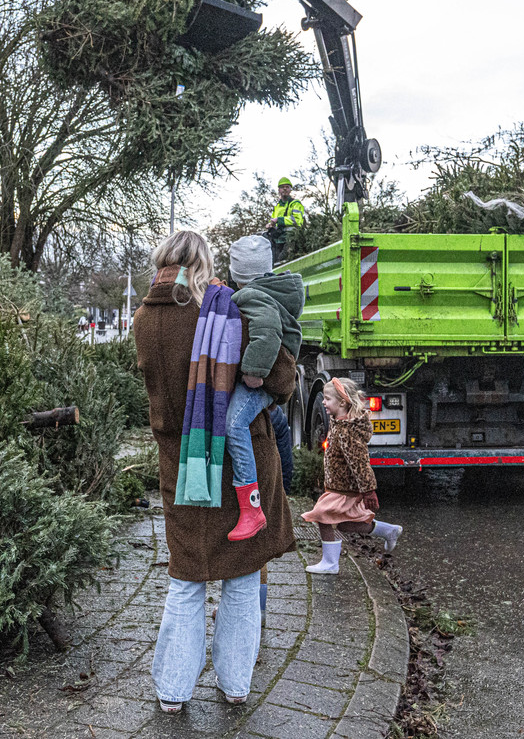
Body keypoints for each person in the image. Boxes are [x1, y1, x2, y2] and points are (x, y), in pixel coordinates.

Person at [133, 230, 297, 714]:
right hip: (240, 466)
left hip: (182, 467)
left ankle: (172, 691)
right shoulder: (225, 313)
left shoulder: (143, 319)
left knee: (186, 579)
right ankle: (235, 685)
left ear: (162, 263)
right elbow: (282, 379)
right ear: (203, 264)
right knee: (242, 576)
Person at [222, 234, 304, 541]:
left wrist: (253, 373)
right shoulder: (273, 291)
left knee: (234, 423)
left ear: (238, 273)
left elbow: (267, 332)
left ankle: (251, 508)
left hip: (265, 379)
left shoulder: (251, 296)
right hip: (278, 375)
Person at [301, 378, 403, 574]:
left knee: (322, 516)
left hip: (345, 488)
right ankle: (388, 530)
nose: (323, 402)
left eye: (327, 399)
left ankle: (330, 563)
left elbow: (360, 463)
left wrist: (369, 491)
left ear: (342, 402)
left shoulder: (348, 431)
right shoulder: (338, 423)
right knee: (345, 525)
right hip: (338, 486)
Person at [266, 177, 306, 262]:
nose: (284, 189)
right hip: (279, 240)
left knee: (283, 261)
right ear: (279, 190)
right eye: (282, 187)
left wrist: (279, 220)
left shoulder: (295, 204)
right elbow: (274, 221)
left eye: (287, 187)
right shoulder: (277, 207)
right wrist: (270, 225)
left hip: (291, 239)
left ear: (290, 190)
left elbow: (297, 220)